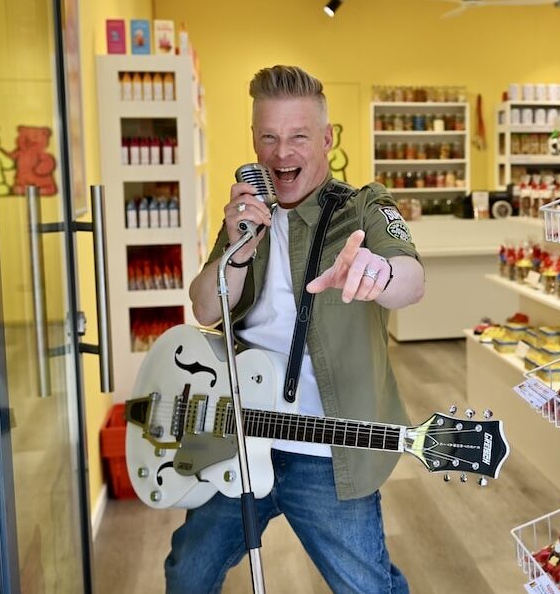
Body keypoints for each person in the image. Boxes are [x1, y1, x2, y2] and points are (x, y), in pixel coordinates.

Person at [167, 65, 424, 593]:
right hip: (240, 438)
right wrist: (239, 245)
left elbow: (412, 278)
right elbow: (204, 307)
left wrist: (380, 274)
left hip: (326, 453)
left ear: (327, 138)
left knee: (365, 586)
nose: (282, 154)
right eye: (269, 137)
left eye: (299, 137)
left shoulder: (365, 207)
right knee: (188, 571)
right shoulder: (246, 216)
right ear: (255, 141)